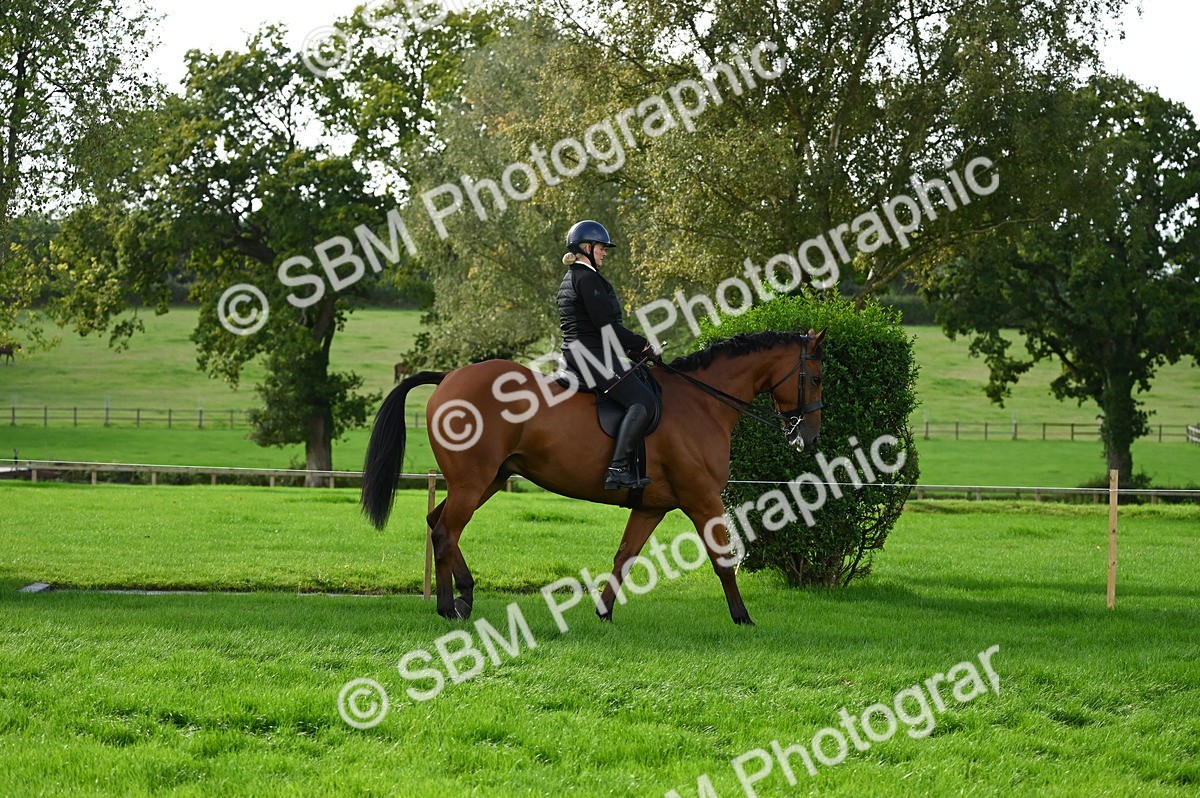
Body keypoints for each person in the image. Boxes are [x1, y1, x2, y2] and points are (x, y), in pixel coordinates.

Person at [557, 220, 656, 490]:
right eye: (601, 247)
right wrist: (643, 345)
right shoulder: (587, 278)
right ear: (587, 248)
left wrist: (630, 350)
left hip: (583, 352)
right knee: (643, 400)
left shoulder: (574, 276)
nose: (605, 252)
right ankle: (618, 468)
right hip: (590, 357)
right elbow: (606, 326)